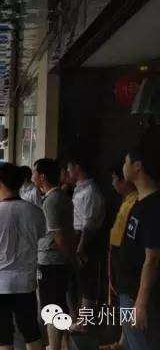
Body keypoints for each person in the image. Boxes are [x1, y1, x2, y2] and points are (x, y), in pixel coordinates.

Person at [0, 163, 46, 350]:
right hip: (25, 284)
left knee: (2, 337)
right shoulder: (36, 212)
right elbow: (39, 237)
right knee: (31, 332)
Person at [118, 137, 160, 349]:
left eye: (126, 162)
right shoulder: (139, 201)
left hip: (139, 297)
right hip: (129, 293)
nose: (123, 166)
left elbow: (152, 258)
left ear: (137, 166)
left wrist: (141, 303)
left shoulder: (153, 207)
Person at [32, 158, 75, 350]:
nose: (32, 176)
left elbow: (58, 235)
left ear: (42, 177)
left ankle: (54, 345)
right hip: (59, 260)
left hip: (51, 260)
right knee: (59, 302)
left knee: (51, 305)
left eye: (34, 173)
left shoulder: (51, 201)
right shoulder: (62, 197)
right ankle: (62, 344)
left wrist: (69, 256)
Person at [101, 162, 138, 350]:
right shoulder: (127, 201)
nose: (113, 184)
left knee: (127, 304)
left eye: (115, 179)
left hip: (126, 262)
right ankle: (123, 341)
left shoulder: (136, 202)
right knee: (122, 303)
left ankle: (129, 342)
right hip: (117, 258)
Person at [67, 157, 106, 332]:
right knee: (80, 281)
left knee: (87, 282)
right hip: (77, 237)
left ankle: (84, 323)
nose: (67, 171)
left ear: (77, 167)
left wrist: (80, 248)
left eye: (69, 167)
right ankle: (80, 320)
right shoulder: (79, 189)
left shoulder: (90, 192)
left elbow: (88, 225)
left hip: (86, 240)